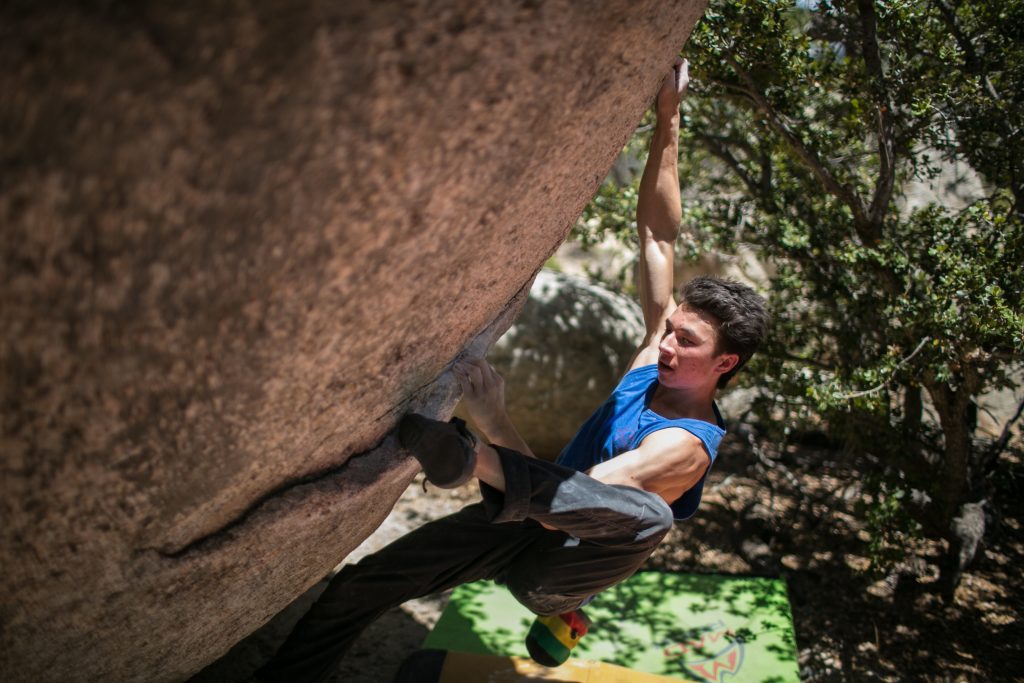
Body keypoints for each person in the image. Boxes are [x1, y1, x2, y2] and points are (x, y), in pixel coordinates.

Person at [254, 58, 768, 683]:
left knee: (650, 517)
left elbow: (560, 505)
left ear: (725, 363)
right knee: (362, 585)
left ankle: (562, 609)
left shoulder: (685, 448)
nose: (665, 345)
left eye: (685, 343)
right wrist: (669, 116)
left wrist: (486, 437)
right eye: (669, 331)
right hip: (520, 510)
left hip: (555, 566)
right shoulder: (652, 357)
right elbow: (658, 237)